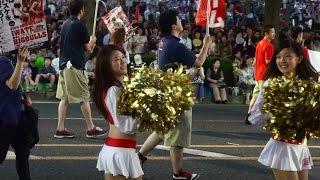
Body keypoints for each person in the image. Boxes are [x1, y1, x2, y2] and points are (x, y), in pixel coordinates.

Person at [137, 9, 212, 180]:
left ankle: (139, 157)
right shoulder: (175, 44)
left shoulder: (164, 42)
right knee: (178, 135)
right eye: (178, 19)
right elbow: (198, 63)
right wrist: (207, 44)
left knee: (162, 129)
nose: (181, 21)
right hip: (175, 94)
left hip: (165, 91)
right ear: (173, 25)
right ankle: (178, 174)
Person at [249, 39, 318, 180]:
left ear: (298, 59)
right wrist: (277, 115)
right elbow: (256, 115)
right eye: (279, 57)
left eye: (288, 56)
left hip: (301, 144)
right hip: (283, 145)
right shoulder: (272, 84)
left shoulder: (309, 84)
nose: (282, 60)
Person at [55, 0, 107, 138]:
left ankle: (60, 129)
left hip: (64, 65)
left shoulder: (65, 24)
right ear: (81, 11)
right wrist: (93, 40)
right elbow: (88, 48)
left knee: (65, 98)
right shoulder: (80, 25)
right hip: (75, 66)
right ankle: (91, 128)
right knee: (84, 97)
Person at [92, 45, 143, 180]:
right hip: (120, 151)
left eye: (123, 57)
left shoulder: (120, 86)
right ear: (106, 65)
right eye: (116, 59)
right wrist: (145, 112)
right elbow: (125, 125)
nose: (122, 61)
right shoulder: (113, 90)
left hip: (122, 150)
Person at [0, 46, 32, 180]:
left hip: (15, 115)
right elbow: (12, 85)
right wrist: (20, 61)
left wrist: (22, 97)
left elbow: (14, 85)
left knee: (23, 154)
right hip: (5, 118)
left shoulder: (9, 59)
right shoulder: (2, 61)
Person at [245, 24, 276, 124]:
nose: (274, 34)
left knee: (256, 95)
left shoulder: (259, 44)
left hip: (258, 73)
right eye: (272, 32)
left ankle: (249, 114)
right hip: (265, 74)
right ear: (267, 33)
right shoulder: (269, 45)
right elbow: (268, 61)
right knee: (265, 97)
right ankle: (263, 118)